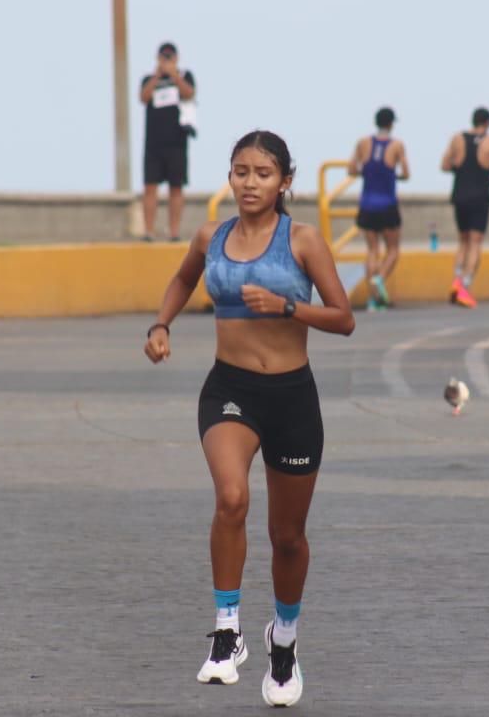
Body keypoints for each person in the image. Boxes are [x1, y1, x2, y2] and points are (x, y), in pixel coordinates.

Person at [143, 130, 354, 707]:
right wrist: (161, 325)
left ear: (285, 181)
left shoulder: (304, 240)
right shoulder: (211, 235)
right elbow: (185, 277)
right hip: (229, 390)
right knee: (231, 498)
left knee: (287, 538)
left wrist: (288, 305)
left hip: (291, 396)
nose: (250, 182)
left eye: (263, 173)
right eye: (240, 171)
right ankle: (228, 628)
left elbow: (343, 318)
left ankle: (282, 639)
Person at [440, 106, 489, 308]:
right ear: (488, 122)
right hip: (480, 196)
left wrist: (461, 172)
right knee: (475, 242)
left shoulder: (457, 138)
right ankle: (465, 285)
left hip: (460, 195)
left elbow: (445, 165)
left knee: (462, 241)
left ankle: (456, 280)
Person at [348, 107, 410, 312]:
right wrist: (393, 176)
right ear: (391, 124)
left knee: (372, 250)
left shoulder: (363, 143)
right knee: (393, 249)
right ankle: (379, 279)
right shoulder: (397, 145)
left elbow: (352, 169)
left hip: (366, 204)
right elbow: (406, 173)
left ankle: (374, 300)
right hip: (387, 204)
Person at [139, 42, 195, 243]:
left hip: (177, 143)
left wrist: (174, 75)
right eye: (163, 57)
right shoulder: (149, 79)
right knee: (150, 187)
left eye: (170, 57)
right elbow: (143, 97)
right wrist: (157, 76)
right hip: (153, 143)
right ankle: (149, 231)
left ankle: (174, 232)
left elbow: (189, 93)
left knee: (176, 187)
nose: (166, 60)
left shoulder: (185, 76)